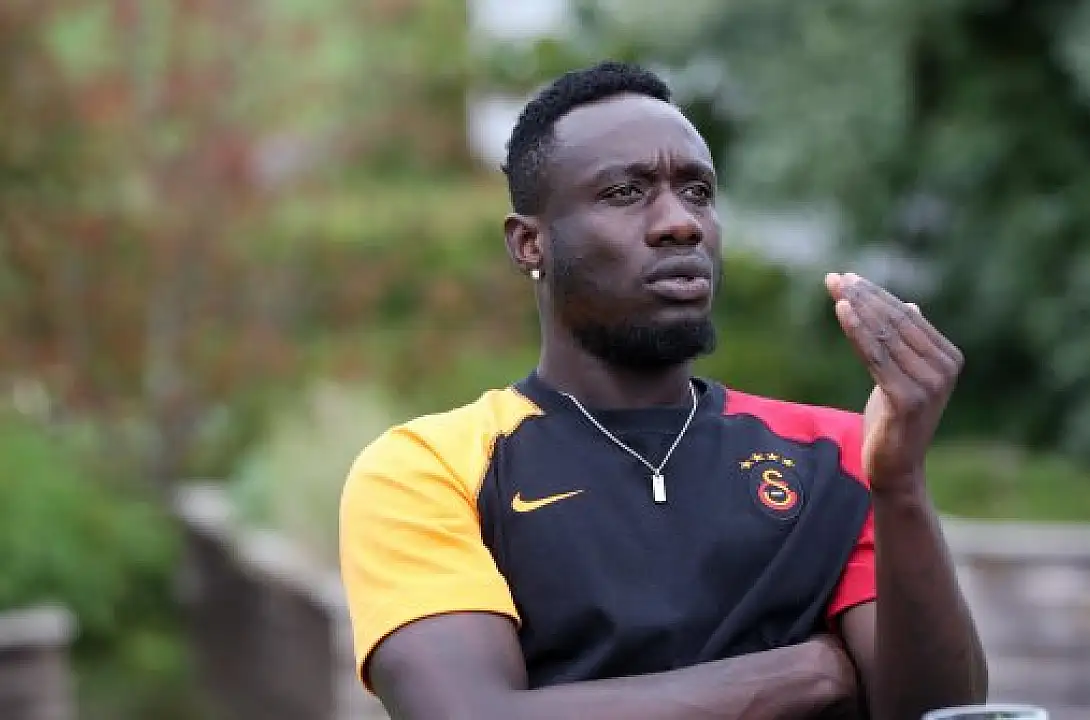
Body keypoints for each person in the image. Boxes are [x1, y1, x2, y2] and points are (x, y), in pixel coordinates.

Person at [339, 61, 988, 719]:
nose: (681, 223)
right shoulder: (430, 470)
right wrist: (805, 673)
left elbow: (939, 713)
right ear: (530, 243)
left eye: (698, 192)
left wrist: (900, 484)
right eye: (626, 192)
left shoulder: (838, 454)